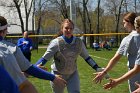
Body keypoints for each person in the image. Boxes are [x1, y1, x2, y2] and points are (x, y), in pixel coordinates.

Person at [35, 19, 108, 93]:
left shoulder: (78, 42)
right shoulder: (56, 43)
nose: (68, 30)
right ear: (62, 29)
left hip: (72, 74)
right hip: (58, 75)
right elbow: (44, 59)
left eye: (71, 28)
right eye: (66, 28)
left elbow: (87, 57)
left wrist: (97, 67)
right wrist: (35, 67)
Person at [0, 16, 66, 93]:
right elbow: (28, 69)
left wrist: (29, 69)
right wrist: (53, 77)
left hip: (26, 55)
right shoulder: (10, 48)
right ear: (3, 31)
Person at [93, 12, 139, 93]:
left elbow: (116, 58)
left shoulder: (128, 39)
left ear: (129, 22)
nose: (123, 25)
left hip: (134, 74)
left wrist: (104, 72)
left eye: (124, 23)